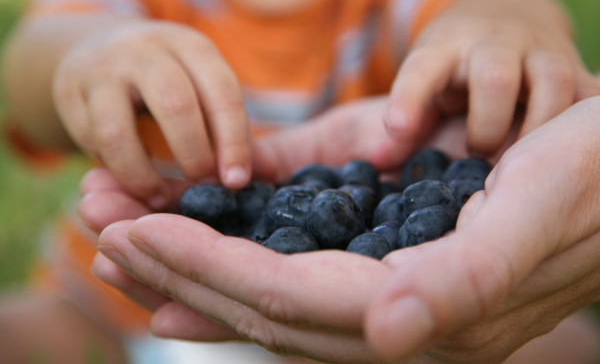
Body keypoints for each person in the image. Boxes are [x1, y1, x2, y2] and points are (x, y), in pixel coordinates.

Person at [1, 0, 598, 362]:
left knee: (568, 345)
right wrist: (84, 53)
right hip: (125, 303)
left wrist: (507, 22)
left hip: (381, 310)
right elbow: (33, 64)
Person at [82, 96, 600, 364]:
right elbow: (40, 63)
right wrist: (103, 58)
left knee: (572, 346)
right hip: (112, 316)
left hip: (399, 320)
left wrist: (492, 36)